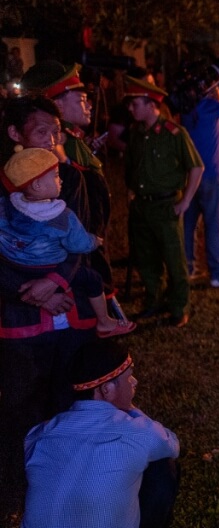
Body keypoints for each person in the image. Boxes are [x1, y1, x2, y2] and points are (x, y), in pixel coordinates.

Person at [0, 96, 100, 517]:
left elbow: (79, 242)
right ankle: (12, 497)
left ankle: (66, 492)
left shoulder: (68, 179)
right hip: (17, 317)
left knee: (67, 399)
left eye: (56, 132)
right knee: (20, 404)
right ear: (15, 135)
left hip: (67, 306)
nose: (53, 140)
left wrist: (57, 281)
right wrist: (30, 290)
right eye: (43, 132)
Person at [22, 339, 180, 528]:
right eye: (129, 377)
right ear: (106, 389)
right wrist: (130, 408)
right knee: (163, 465)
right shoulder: (135, 431)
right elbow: (172, 444)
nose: (135, 382)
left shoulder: (41, 433)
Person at [1, 148, 135, 337]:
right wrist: (94, 241)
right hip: (50, 267)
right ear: (38, 185)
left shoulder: (6, 207)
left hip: (20, 269)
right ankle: (105, 321)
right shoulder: (61, 216)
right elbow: (78, 245)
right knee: (93, 278)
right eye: (56, 176)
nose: (61, 180)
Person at [20, 60, 115, 290]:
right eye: (81, 100)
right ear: (58, 107)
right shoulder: (59, 142)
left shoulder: (72, 138)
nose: (90, 105)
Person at [123, 77, 203, 327]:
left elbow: (196, 167)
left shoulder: (174, 133)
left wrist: (185, 202)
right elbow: (131, 167)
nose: (130, 109)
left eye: (135, 103)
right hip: (142, 206)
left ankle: (179, 306)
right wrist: (131, 190)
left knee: (174, 258)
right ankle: (153, 300)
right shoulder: (136, 133)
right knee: (146, 259)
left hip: (166, 205)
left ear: (151, 104)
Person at [180, 66, 219, 288]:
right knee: (215, 224)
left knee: (188, 225)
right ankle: (218, 272)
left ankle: (187, 267)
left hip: (190, 175)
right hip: (212, 176)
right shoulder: (208, 106)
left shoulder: (188, 109)